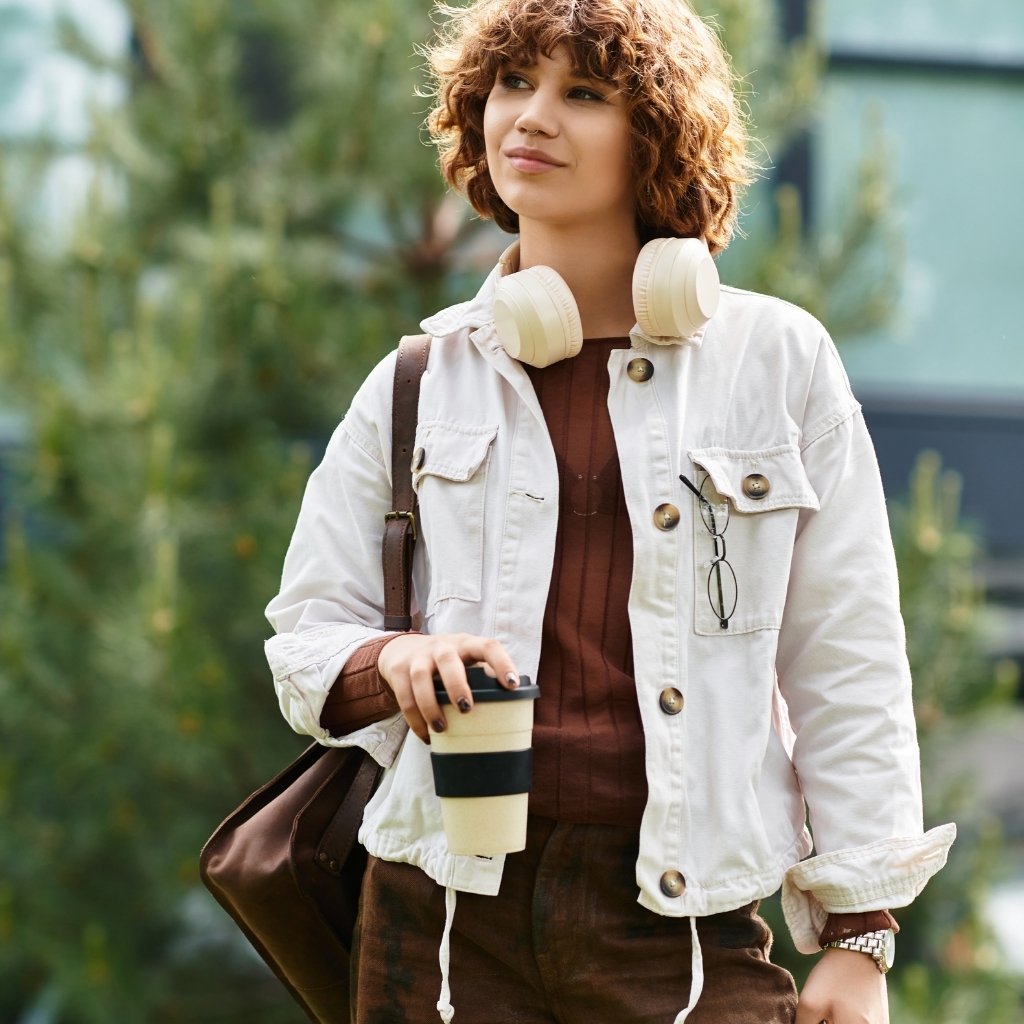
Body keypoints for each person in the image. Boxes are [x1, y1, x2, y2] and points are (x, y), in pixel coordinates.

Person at [264, 1, 956, 1022]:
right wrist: (392, 663)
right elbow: (304, 638)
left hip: (685, 924)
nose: (532, 116)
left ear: (658, 136)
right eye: (512, 84)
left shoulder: (778, 362)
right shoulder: (419, 378)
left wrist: (860, 934)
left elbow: (845, 657)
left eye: (582, 92)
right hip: (442, 921)